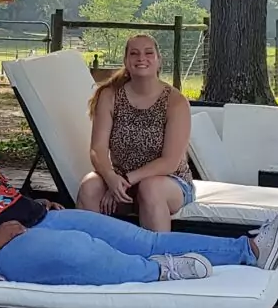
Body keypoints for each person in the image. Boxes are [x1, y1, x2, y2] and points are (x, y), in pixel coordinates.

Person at [0, 101, 278, 286]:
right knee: (80, 250)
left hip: (36, 218)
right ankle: (158, 273)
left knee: (141, 238)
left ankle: (249, 250)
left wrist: (31, 203)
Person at [77, 34, 194, 231]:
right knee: (89, 186)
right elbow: (97, 149)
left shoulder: (176, 102)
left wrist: (126, 180)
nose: (141, 58)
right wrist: (110, 178)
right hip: (120, 179)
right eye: (134, 53)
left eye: (148, 53)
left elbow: (170, 162)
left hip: (169, 182)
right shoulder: (110, 96)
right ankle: (91, 246)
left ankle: (157, 249)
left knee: (150, 188)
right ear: (126, 61)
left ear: (159, 60)